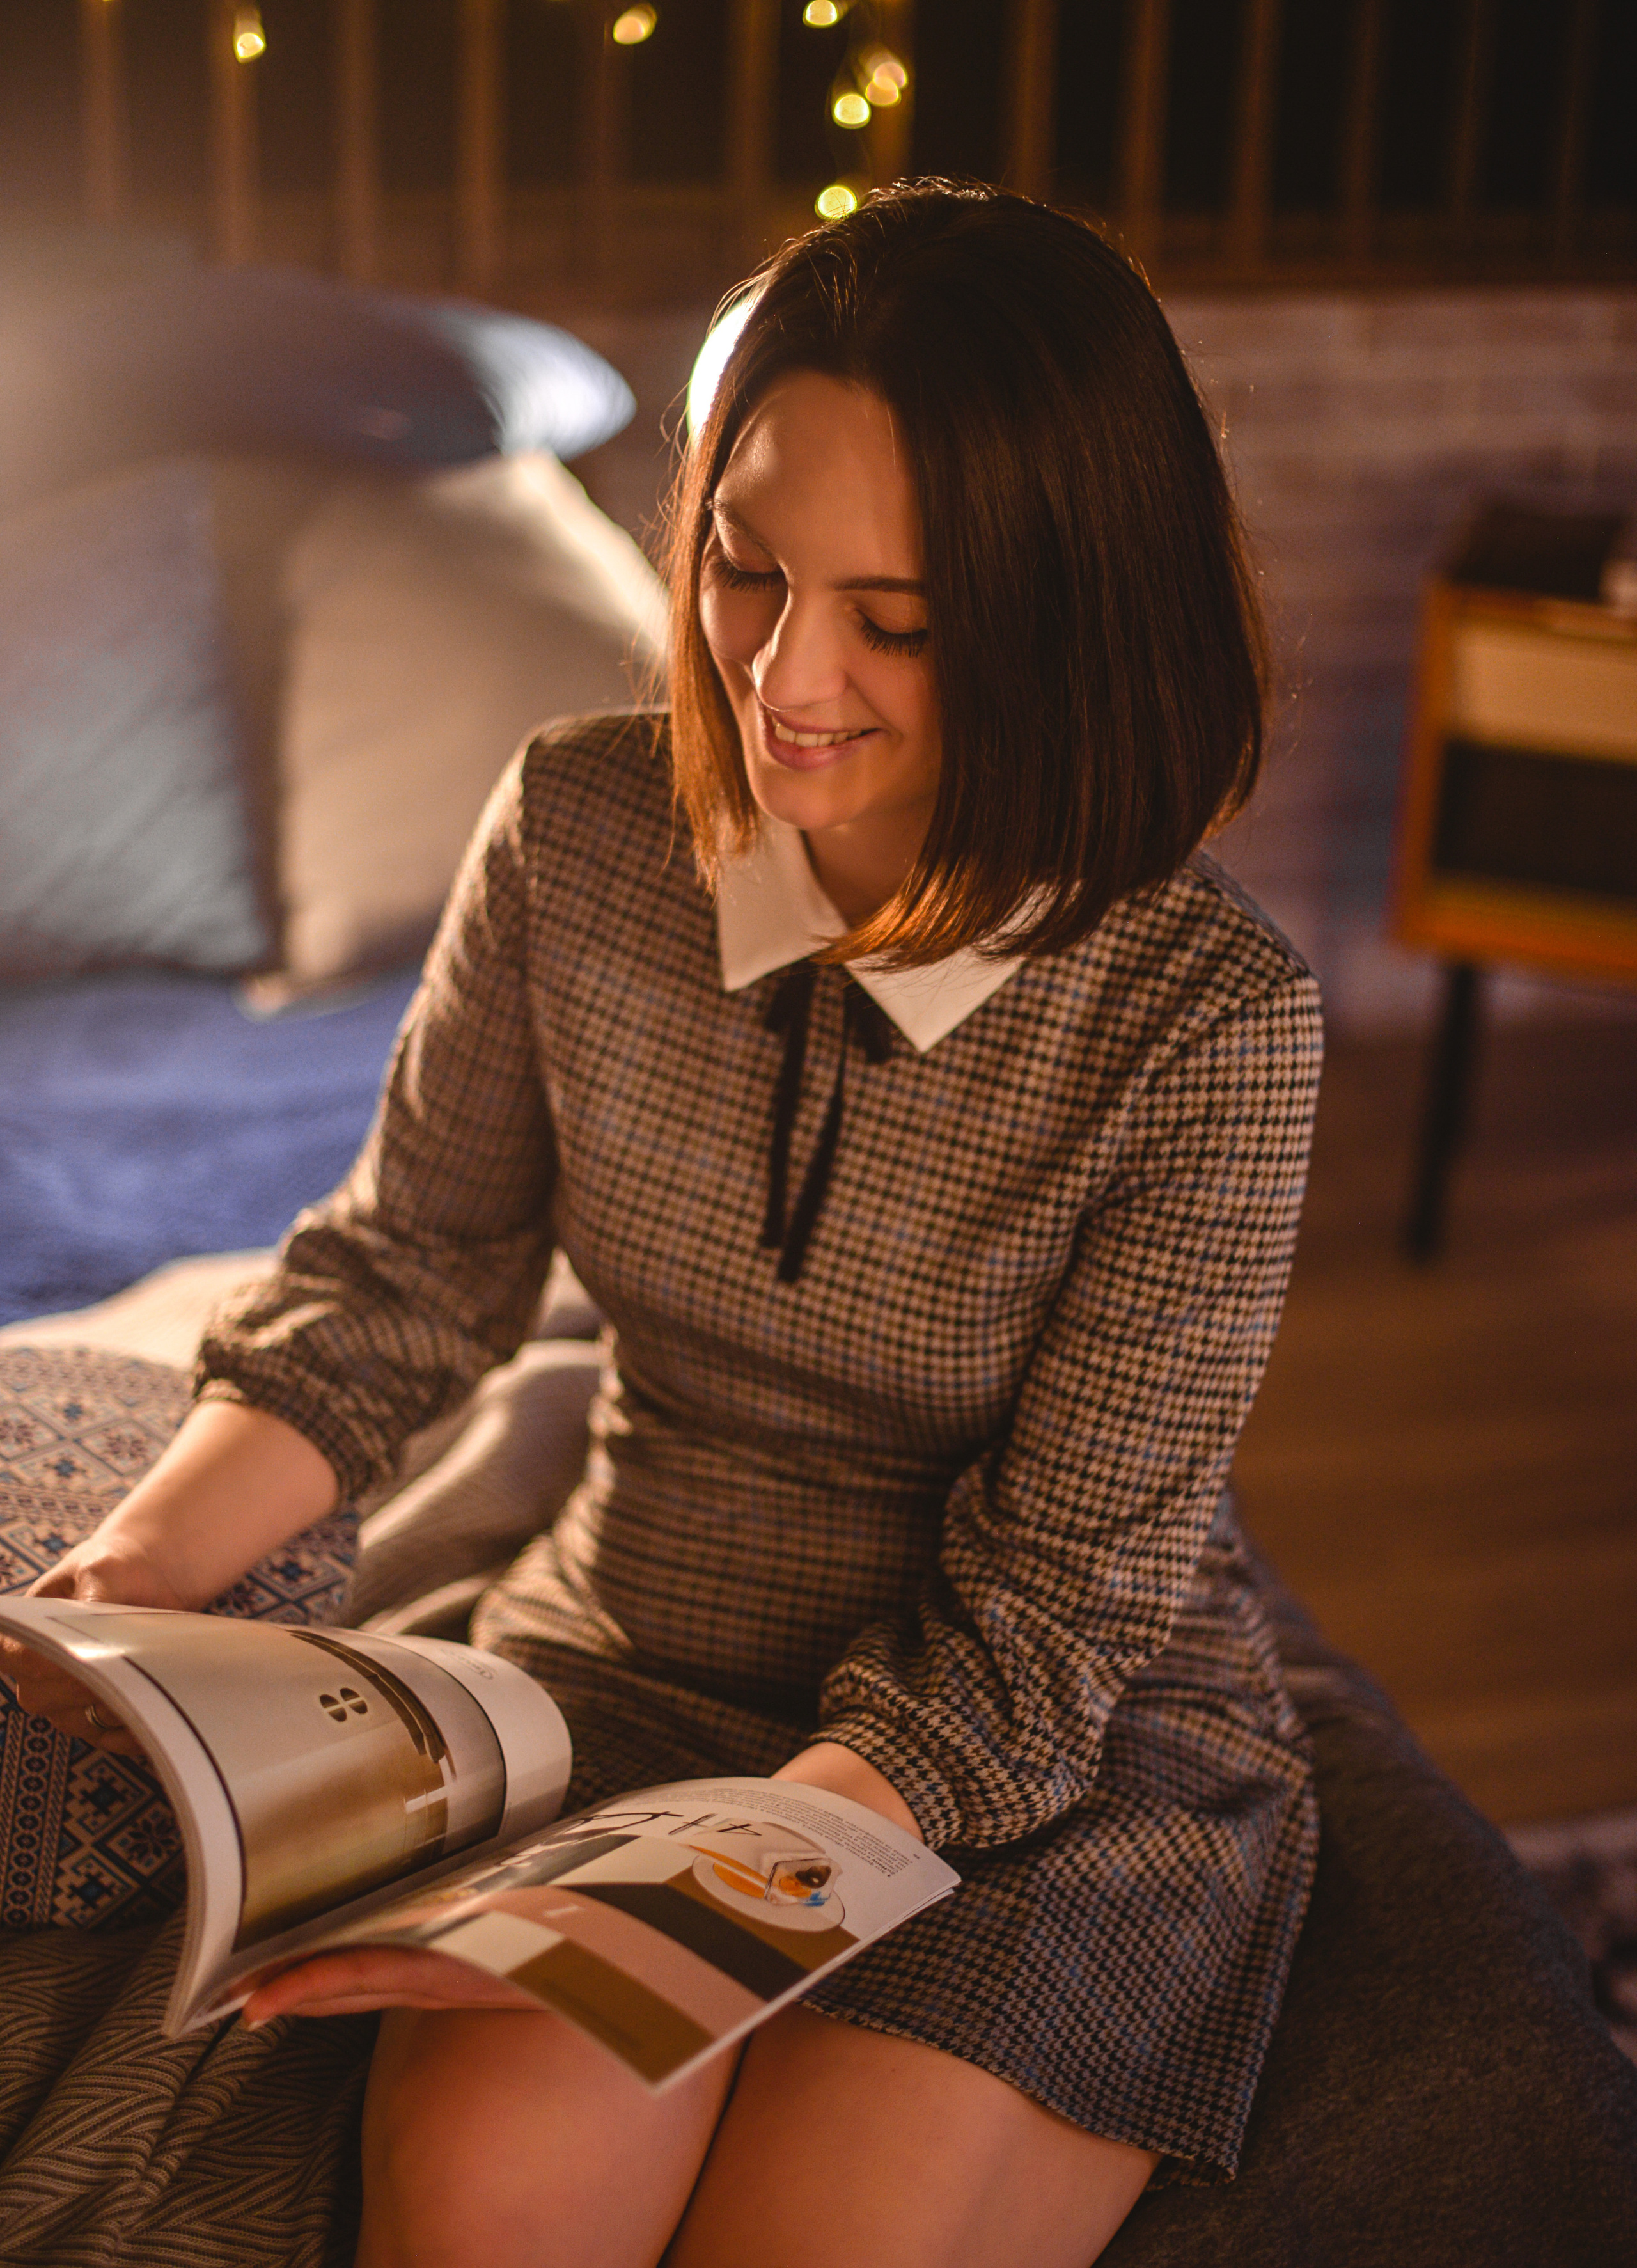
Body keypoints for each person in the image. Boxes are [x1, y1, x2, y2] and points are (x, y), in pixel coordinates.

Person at [3, 183, 1322, 2268]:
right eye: (745, 566)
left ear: (1076, 604)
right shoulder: (579, 825)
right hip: (629, 1669)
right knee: (491, 2213)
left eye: (899, 616)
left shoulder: (1209, 1022)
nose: (788, 679)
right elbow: (398, 1287)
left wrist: (673, 1907)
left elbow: (1051, 1630)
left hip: (1032, 1756)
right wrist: (126, 1586)